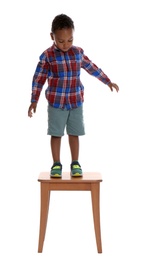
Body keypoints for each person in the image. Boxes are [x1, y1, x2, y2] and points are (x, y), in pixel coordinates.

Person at [28, 14, 119, 178]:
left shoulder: (77, 53)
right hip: (56, 103)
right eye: (61, 41)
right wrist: (34, 100)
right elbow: (38, 78)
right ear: (52, 37)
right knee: (56, 133)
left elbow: (92, 68)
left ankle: (75, 162)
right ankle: (56, 163)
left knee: (74, 133)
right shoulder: (48, 56)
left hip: (76, 101)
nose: (65, 44)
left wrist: (108, 81)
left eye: (69, 40)